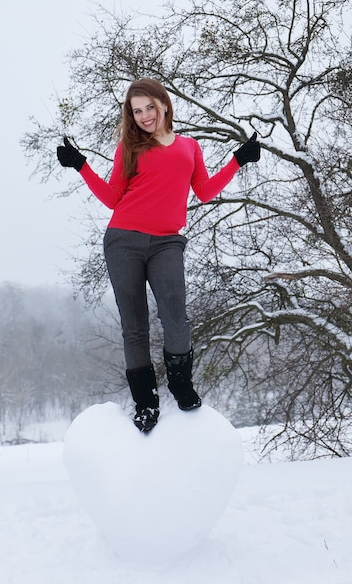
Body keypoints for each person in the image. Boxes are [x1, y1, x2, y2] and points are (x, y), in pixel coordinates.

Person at [57, 78, 260, 432]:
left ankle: (181, 385)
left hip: (167, 241)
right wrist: (81, 165)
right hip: (124, 240)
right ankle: (146, 403)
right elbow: (113, 198)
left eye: (150, 107)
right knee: (135, 326)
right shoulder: (129, 148)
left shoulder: (189, 146)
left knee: (175, 316)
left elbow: (205, 190)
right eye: (137, 111)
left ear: (164, 104)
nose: (145, 116)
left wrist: (238, 160)